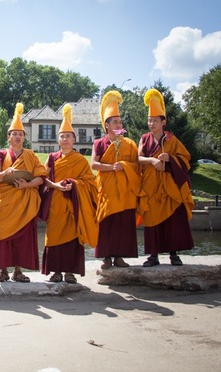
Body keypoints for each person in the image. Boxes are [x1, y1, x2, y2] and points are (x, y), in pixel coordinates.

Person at [41, 104, 99, 284]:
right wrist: (56, 186)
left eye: (68, 136)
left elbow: (90, 183)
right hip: (56, 204)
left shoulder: (80, 160)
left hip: (75, 205)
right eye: (62, 136)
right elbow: (42, 178)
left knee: (73, 239)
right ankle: (56, 271)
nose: (65, 139)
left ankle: (70, 273)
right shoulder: (51, 158)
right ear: (58, 140)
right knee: (54, 236)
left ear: (74, 139)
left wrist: (73, 184)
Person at [0, 103, 48, 283]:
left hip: (24, 201)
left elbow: (42, 177)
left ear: (24, 137)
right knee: (3, 236)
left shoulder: (31, 155)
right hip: (5, 201)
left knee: (22, 238)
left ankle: (18, 271)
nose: (17, 137)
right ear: (8, 137)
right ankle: (2, 270)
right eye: (14, 134)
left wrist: (27, 185)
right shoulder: (0, 155)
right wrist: (5, 173)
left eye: (20, 134)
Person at [138, 88, 194, 266]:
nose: (151, 124)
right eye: (149, 121)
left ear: (164, 122)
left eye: (155, 121)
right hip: (151, 187)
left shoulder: (172, 140)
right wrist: (152, 161)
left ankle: (173, 254)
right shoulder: (145, 139)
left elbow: (185, 159)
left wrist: (170, 158)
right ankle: (153, 255)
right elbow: (137, 159)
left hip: (169, 187)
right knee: (152, 220)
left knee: (172, 221)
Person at [91, 91, 144, 269]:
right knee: (107, 223)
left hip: (125, 190)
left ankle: (120, 257)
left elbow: (136, 165)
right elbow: (94, 165)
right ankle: (106, 257)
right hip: (106, 190)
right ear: (107, 125)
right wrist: (112, 167)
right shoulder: (99, 143)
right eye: (115, 121)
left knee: (123, 223)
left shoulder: (129, 143)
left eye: (120, 121)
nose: (119, 124)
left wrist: (124, 166)